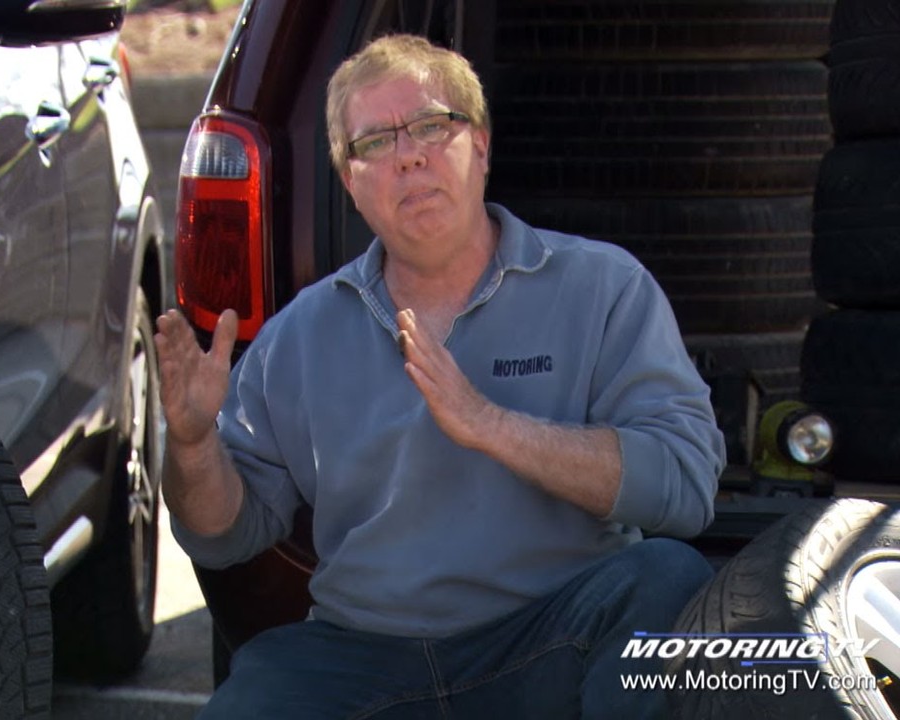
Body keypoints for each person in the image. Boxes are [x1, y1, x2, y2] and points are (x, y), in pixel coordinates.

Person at [154, 33, 726, 719]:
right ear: (349, 181)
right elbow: (223, 535)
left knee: (666, 580)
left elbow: (685, 487)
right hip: (364, 656)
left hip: (551, 638)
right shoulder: (301, 334)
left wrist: (491, 425)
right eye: (375, 142)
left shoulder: (602, 288)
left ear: (479, 145)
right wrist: (192, 446)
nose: (409, 155)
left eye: (431, 125)